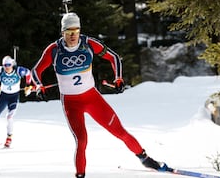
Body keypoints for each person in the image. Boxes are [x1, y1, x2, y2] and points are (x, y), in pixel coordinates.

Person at [31, 12, 169, 178]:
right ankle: (80, 175)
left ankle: (145, 159)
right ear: (62, 33)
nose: (73, 35)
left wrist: (118, 78)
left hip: (92, 98)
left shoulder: (88, 43)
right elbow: (35, 71)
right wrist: (39, 86)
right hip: (71, 103)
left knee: (120, 132)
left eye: (76, 31)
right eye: (68, 32)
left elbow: (114, 57)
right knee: (81, 141)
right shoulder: (54, 50)